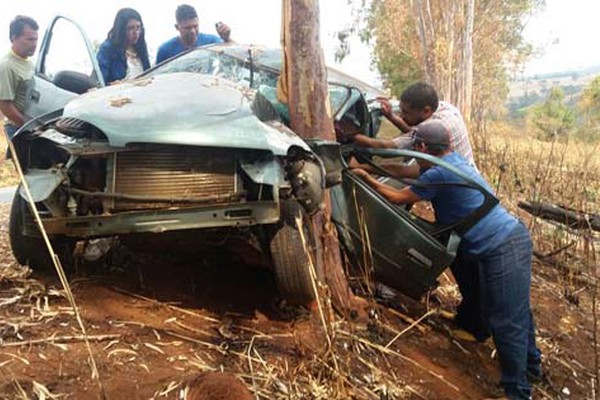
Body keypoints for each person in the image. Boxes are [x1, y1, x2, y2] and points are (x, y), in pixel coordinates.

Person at [352, 120, 542, 400]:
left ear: (422, 147)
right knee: (515, 310)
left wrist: (363, 178)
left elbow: (396, 196)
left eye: (415, 147)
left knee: (506, 320)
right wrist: (369, 167)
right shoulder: (451, 162)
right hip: (508, 238)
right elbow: (406, 170)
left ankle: (517, 391)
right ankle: (532, 366)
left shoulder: (436, 173)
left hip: (502, 246)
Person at [353, 82, 476, 168]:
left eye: (406, 112)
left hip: (460, 186)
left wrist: (352, 136)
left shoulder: (436, 127)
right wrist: (391, 116)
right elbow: (413, 132)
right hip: (470, 178)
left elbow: (388, 147)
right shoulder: (445, 108)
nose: (402, 116)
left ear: (426, 111)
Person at [0, 15, 38, 140]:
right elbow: (4, 105)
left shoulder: (29, 62)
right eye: (29, 39)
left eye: (36, 39)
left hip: (31, 128)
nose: (34, 44)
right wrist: (28, 126)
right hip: (16, 130)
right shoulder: (7, 66)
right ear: (14, 38)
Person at [156, 4, 232, 64]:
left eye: (195, 26)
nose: (192, 31)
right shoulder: (165, 50)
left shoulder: (211, 41)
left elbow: (237, 53)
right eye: (187, 28)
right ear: (177, 27)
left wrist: (227, 39)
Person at [96, 8, 151, 85]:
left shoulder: (140, 47)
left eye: (138, 27)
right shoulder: (108, 49)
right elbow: (100, 82)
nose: (136, 32)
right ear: (121, 29)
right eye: (131, 28)